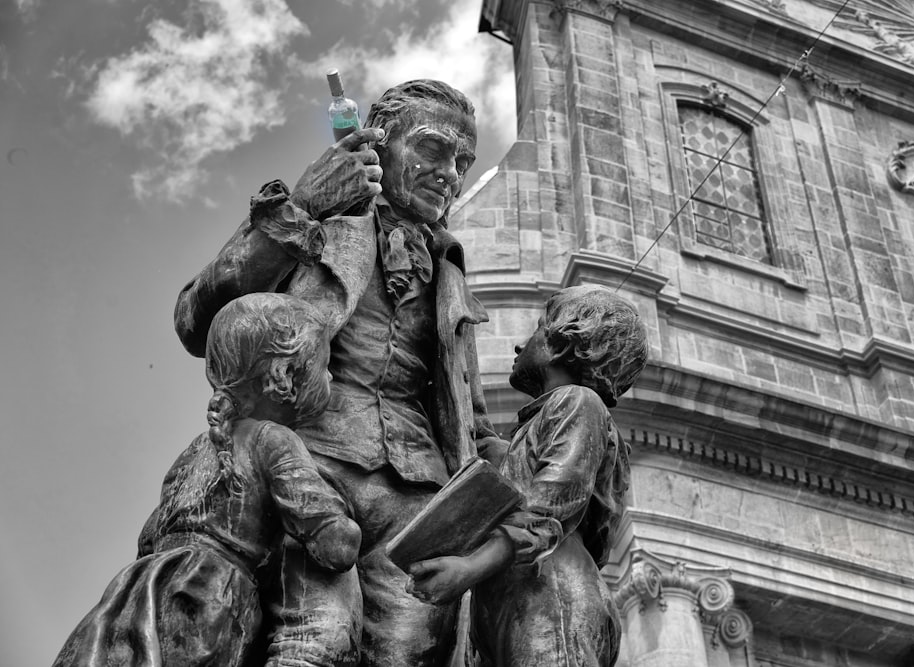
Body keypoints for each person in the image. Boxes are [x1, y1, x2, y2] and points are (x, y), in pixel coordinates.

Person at [174, 79, 504, 666]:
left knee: (409, 658)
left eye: (463, 161)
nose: (449, 173)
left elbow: (467, 409)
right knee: (316, 645)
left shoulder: (451, 266)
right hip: (310, 461)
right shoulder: (320, 217)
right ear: (377, 143)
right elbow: (197, 319)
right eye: (432, 149)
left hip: (419, 501)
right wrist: (300, 208)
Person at [53, 293, 362, 667]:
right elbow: (336, 546)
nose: (330, 377)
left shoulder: (195, 449)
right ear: (284, 376)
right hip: (205, 603)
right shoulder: (273, 441)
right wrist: (349, 519)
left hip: (133, 598)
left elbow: (149, 539)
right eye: (325, 366)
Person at [408, 285, 649, 667]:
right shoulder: (531, 434)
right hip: (516, 599)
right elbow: (476, 434)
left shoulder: (577, 403)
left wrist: (469, 568)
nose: (520, 345)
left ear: (562, 345)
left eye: (537, 329)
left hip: (552, 598)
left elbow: (547, 511)